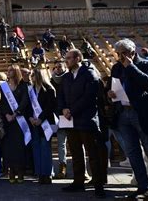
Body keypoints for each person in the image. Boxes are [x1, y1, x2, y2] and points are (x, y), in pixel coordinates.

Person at [107, 39, 148, 199]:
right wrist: (109, 93)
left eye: (122, 54)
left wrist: (130, 66)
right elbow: (111, 86)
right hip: (123, 113)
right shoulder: (116, 67)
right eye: (118, 54)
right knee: (133, 153)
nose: (119, 57)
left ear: (132, 52)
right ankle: (144, 187)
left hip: (142, 114)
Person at [58, 49, 107, 198]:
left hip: (86, 120)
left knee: (93, 153)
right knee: (76, 153)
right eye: (65, 58)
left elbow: (89, 97)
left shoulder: (89, 73)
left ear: (77, 58)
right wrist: (63, 109)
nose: (66, 61)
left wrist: (71, 110)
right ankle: (78, 182)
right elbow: (59, 96)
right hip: (70, 121)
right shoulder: (66, 77)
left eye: (68, 58)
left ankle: (98, 185)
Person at [0, 64, 30, 184]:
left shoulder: (23, 86)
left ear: (16, 72)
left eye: (11, 70)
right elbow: (2, 102)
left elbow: (25, 101)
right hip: (8, 121)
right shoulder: (4, 87)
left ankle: (20, 171)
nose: (9, 72)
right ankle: (11, 171)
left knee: (19, 147)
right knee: (9, 147)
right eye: (8, 70)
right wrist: (7, 114)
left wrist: (16, 113)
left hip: (20, 120)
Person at [29, 68, 57, 184]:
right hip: (34, 123)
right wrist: (30, 118)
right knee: (36, 148)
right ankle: (40, 173)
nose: (31, 77)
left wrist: (41, 119)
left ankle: (48, 173)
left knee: (45, 148)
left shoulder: (49, 90)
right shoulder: (31, 90)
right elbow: (28, 106)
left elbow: (50, 107)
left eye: (33, 75)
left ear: (39, 76)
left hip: (45, 123)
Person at [50, 60, 68, 179]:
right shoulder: (50, 81)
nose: (57, 69)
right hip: (53, 115)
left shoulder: (68, 79)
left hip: (66, 114)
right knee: (54, 143)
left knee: (63, 142)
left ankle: (63, 165)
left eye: (60, 67)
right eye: (55, 67)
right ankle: (51, 168)